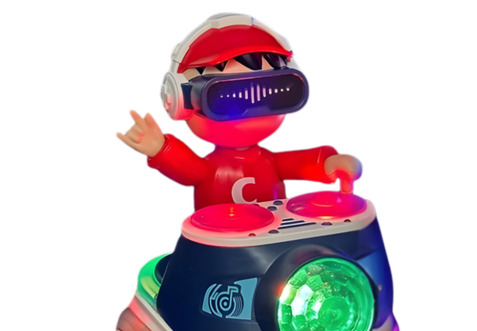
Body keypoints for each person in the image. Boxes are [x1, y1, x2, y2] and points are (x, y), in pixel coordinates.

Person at [117, 14, 361, 211]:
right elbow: (190, 170)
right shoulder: (212, 168)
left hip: (274, 239)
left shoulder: (269, 162)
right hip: (218, 242)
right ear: (180, 99)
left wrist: (330, 164)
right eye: (224, 96)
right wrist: (161, 148)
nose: (252, 107)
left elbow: (299, 163)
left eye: (272, 91)